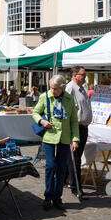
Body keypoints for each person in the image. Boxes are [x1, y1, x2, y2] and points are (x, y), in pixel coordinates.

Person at [32, 74, 79, 211]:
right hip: (49, 137)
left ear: (63, 88)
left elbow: (74, 122)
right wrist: (42, 121)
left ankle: (57, 197)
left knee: (61, 168)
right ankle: (48, 196)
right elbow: (35, 112)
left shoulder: (69, 99)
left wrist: (75, 139)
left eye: (56, 89)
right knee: (51, 166)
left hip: (64, 138)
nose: (53, 91)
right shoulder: (45, 96)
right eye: (51, 88)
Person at [65, 66, 92, 200]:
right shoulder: (70, 88)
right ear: (75, 75)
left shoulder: (82, 88)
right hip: (75, 128)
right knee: (75, 159)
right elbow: (67, 110)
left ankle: (64, 179)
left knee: (73, 158)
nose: (85, 76)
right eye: (83, 74)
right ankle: (76, 188)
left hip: (83, 127)